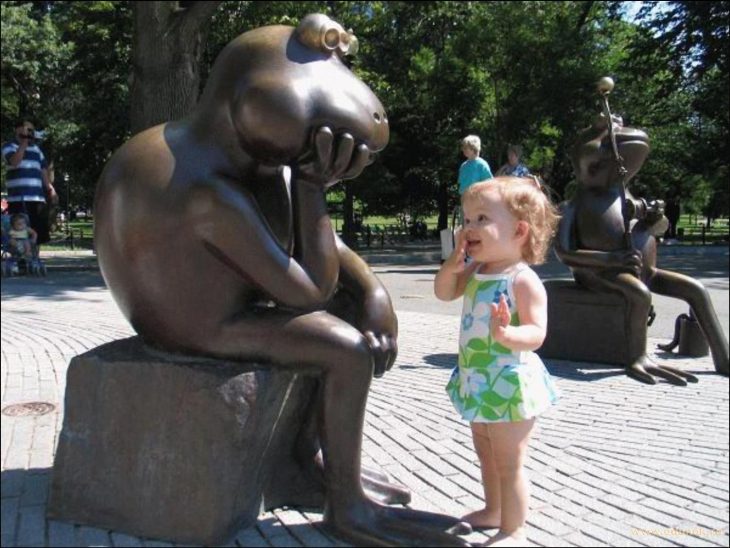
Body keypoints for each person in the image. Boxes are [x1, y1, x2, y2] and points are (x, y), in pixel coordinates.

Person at [434, 176, 560, 546]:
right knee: (486, 454)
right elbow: (444, 293)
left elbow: (537, 333)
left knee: (509, 461)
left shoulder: (523, 280)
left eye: (481, 219)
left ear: (519, 231)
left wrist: (507, 335)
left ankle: (513, 528)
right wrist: (452, 266)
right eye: (467, 219)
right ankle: (493, 511)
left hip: (508, 384)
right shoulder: (475, 269)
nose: (468, 228)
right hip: (478, 381)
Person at [2, 120, 58, 244]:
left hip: (37, 199)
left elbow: (43, 171)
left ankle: (34, 260)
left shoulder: (37, 150)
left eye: (32, 130)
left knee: (37, 235)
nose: (30, 133)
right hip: (18, 199)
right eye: (28, 129)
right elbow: (14, 162)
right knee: (19, 235)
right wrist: (23, 143)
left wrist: (50, 188)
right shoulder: (8, 146)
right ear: (18, 130)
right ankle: (22, 262)